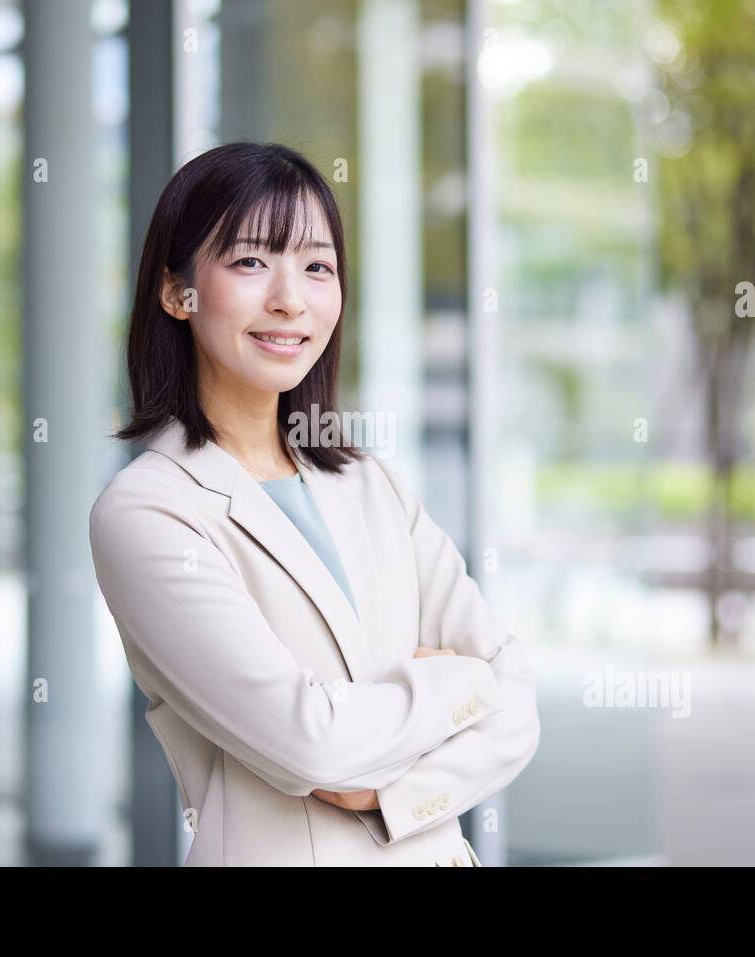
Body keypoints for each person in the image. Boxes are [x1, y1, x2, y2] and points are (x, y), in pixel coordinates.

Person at [89, 141, 540, 866]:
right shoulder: (148, 512)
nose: (290, 299)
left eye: (317, 267)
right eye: (250, 262)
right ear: (177, 292)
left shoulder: (368, 483)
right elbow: (310, 743)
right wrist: (462, 679)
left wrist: (389, 795)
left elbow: (518, 705)